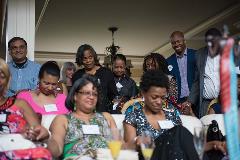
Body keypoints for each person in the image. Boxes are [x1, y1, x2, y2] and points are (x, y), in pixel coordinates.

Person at [47, 74, 118, 159]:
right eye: (86, 93)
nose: (91, 97)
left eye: (95, 94)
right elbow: (57, 150)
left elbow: (119, 145)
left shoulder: (107, 117)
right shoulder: (62, 119)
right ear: (75, 96)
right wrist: (46, 139)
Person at [0, 58, 51, 159]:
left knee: (42, 154)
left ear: (7, 81)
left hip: (19, 148)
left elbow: (37, 131)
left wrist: (37, 133)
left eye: (2, 77)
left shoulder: (20, 104)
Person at [123, 70, 182, 150]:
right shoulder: (133, 116)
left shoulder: (172, 114)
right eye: (154, 97)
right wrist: (137, 142)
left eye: (163, 98)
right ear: (143, 93)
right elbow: (128, 147)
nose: (159, 102)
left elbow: (181, 140)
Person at [184, 28, 222, 118]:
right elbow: (197, 81)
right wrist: (190, 101)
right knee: (205, 129)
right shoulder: (199, 54)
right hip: (206, 103)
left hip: (225, 102)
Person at [72, 44, 118, 113]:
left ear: (94, 57)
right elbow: (74, 97)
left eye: (90, 57)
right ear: (80, 60)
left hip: (103, 113)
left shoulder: (106, 73)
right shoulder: (77, 75)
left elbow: (114, 95)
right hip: (83, 114)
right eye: (85, 58)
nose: (88, 61)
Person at [167, 31, 196, 103]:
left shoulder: (196, 55)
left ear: (184, 41)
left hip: (196, 99)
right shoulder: (168, 61)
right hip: (179, 102)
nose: (176, 44)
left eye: (178, 41)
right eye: (173, 43)